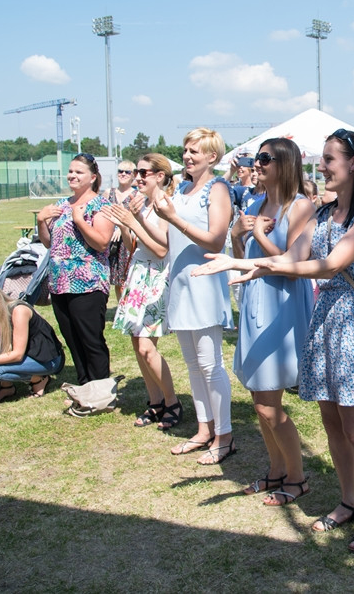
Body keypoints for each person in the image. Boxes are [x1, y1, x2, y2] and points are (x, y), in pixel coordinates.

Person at [193, 128, 354, 552]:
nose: (320, 167)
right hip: (326, 322)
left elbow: (330, 265)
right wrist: (247, 262)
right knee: (331, 423)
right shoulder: (324, 214)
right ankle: (348, 501)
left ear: (353, 163)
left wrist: (255, 263)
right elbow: (290, 258)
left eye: (329, 159)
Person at [228, 138, 315, 505]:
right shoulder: (254, 203)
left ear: (285, 163)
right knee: (257, 399)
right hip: (254, 303)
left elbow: (294, 266)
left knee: (269, 404)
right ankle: (276, 470)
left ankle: (296, 477)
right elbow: (242, 258)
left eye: (264, 158)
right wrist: (236, 236)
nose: (257, 164)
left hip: (281, 306)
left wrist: (261, 234)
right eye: (255, 158)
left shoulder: (301, 207)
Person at [154, 129, 235, 465]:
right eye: (186, 150)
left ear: (212, 157)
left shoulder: (217, 189)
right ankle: (204, 429)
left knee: (210, 364)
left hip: (204, 284)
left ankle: (225, 435)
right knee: (192, 365)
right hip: (182, 285)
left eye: (195, 152)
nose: (187, 156)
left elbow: (216, 240)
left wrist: (173, 217)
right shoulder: (183, 189)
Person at [106, 154, 181, 430]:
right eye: (136, 172)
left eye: (143, 172)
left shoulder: (164, 205)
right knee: (138, 345)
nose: (137, 177)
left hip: (156, 277)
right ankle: (156, 401)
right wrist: (126, 225)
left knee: (148, 347)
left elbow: (162, 248)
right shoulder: (145, 203)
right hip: (138, 274)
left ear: (159, 176)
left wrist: (134, 219)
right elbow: (133, 245)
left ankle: (173, 402)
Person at [37, 154, 113, 385]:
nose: (72, 175)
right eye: (71, 171)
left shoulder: (101, 205)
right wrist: (41, 221)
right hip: (60, 283)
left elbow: (101, 242)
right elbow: (49, 243)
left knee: (90, 339)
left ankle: (99, 388)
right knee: (71, 337)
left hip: (88, 283)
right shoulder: (61, 205)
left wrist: (80, 221)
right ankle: (84, 384)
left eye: (79, 172)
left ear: (92, 177)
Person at [106, 160, 137, 301]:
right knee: (117, 281)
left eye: (127, 172)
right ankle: (120, 307)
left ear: (133, 176)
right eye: (120, 171)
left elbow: (138, 219)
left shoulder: (136, 195)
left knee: (127, 278)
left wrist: (122, 228)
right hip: (111, 241)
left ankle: (127, 306)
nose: (123, 174)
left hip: (127, 241)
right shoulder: (109, 193)